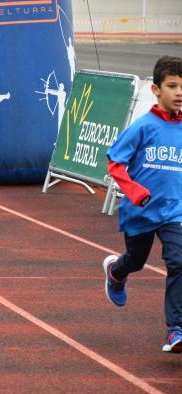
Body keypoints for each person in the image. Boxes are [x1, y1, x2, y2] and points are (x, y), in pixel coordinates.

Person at [103, 55, 182, 353]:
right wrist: (134, 191)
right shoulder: (143, 127)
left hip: (174, 212)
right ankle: (116, 272)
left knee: (179, 261)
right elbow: (114, 162)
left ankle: (176, 329)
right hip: (141, 211)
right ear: (156, 89)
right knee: (135, 260)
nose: (179, 93)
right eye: (172, 86)